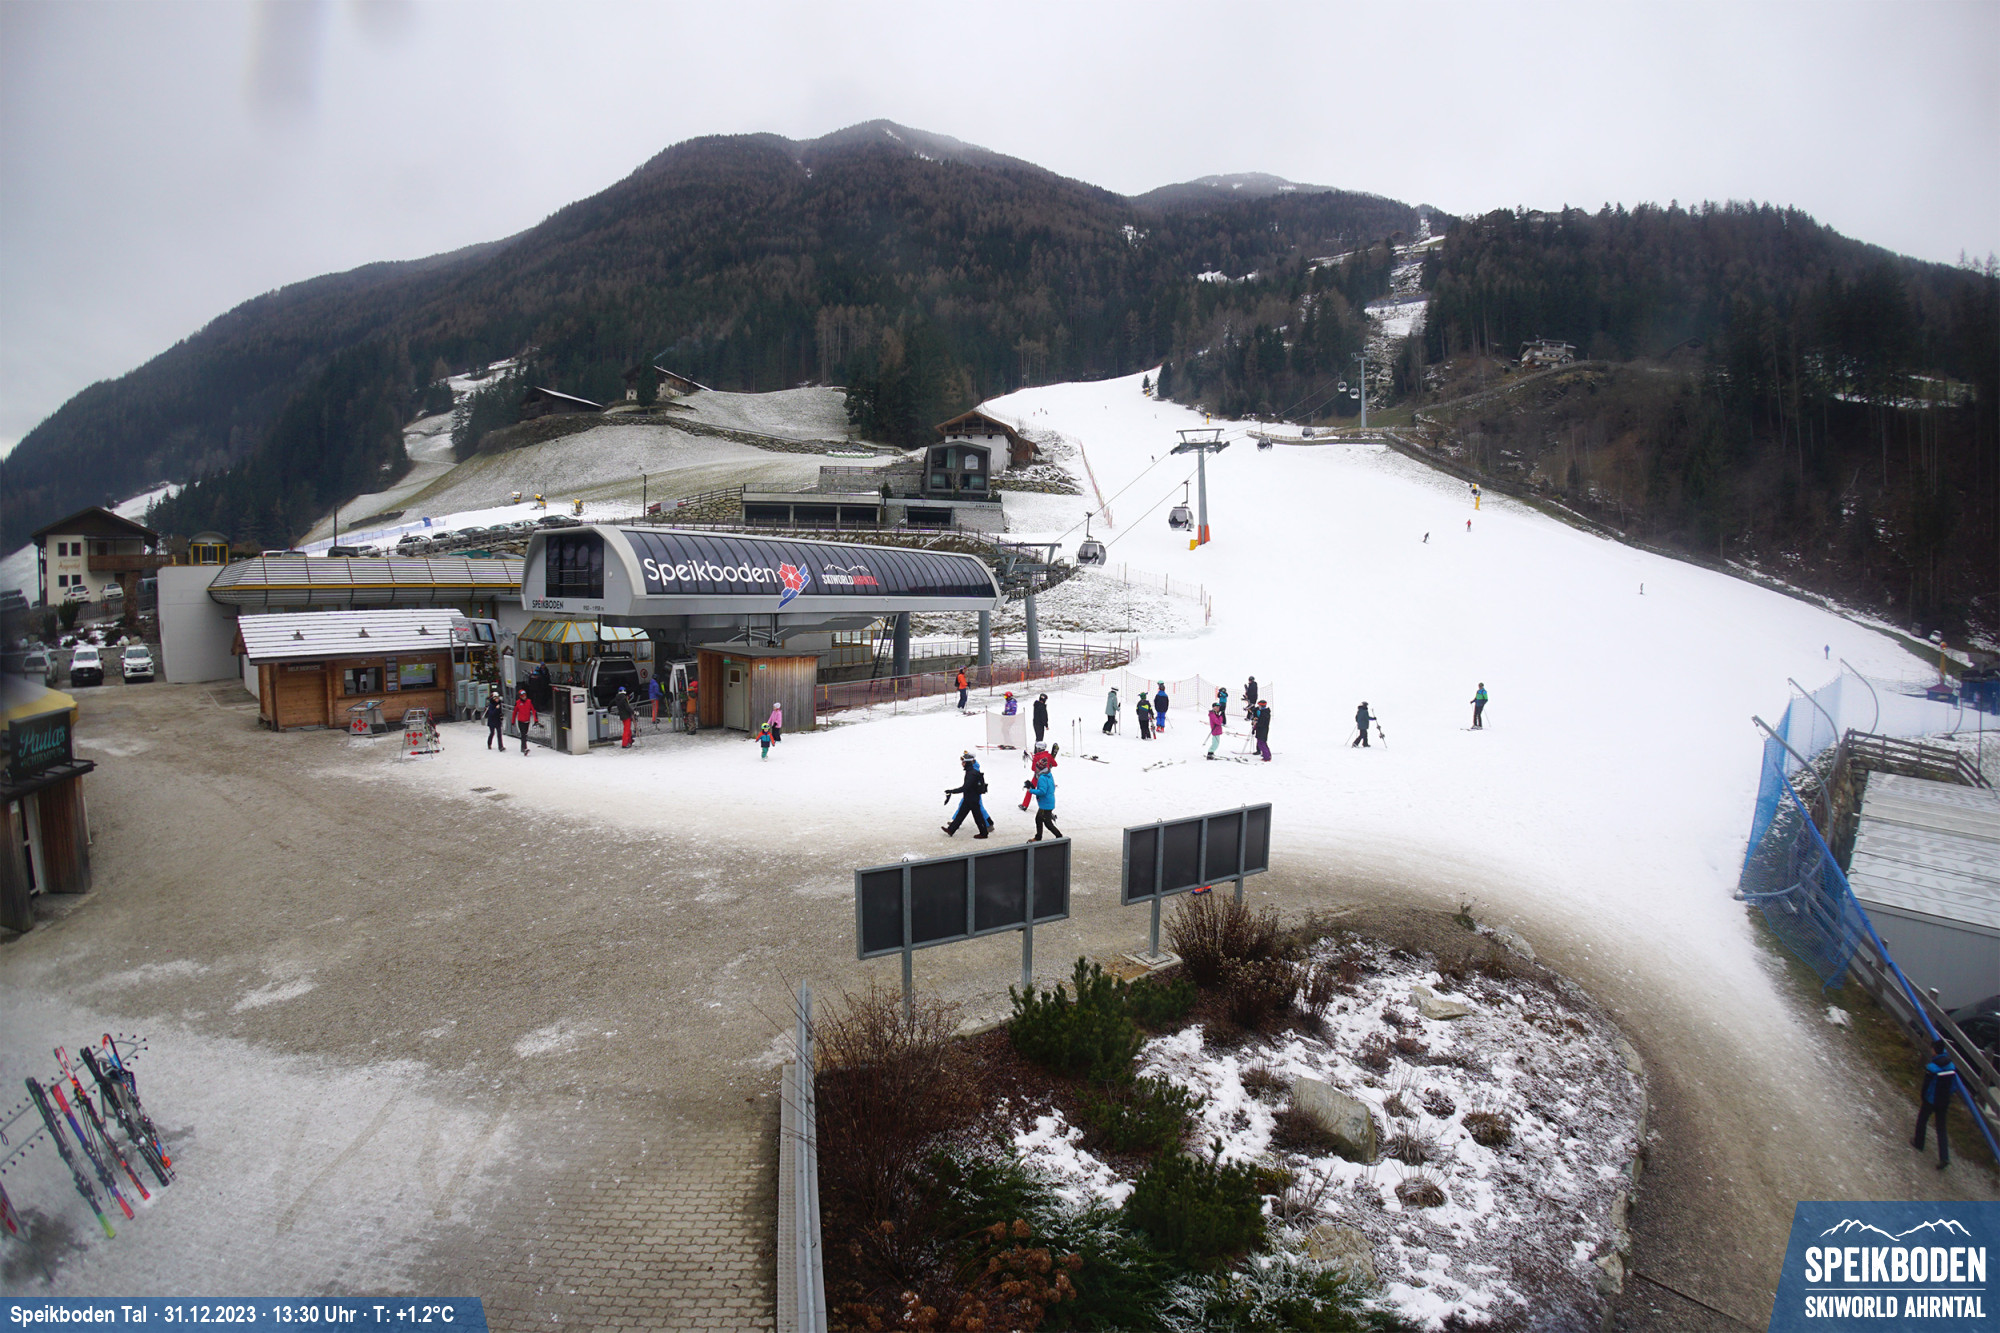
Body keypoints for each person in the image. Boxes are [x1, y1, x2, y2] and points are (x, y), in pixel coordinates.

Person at [1913, 1039, 1958, 1169]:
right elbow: (1953, 1086)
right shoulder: (1951, 1066)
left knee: (1922, 1120)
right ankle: (1944, 1157)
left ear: (1934, 1050)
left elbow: (1926, 1086)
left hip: (1931, 1100)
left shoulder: (1932, 1068)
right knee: (1941, 1128)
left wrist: (1924, 1097)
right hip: (1944, 1101)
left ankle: (1919, 1143)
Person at [942, 752, 991, 838]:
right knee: (960, 815)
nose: (962, 764)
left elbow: (965, 787)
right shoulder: (970, 771)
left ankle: (984, 833)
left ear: (967, 763)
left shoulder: (971, 773)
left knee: (978, 817)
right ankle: (951, 830)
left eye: (963, 762)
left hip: (972, 799)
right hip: (969, 798)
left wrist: (952, 791)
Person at [1021, 743, 1059, 808]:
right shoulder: (1049, 755)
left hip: (1037, 777)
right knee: (1048, 790)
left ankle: (1025, 805)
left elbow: (1033, 768)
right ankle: (1047, 807)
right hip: (1047, 776)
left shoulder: (1036, 757)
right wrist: (1049, 764)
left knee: (1030, 789)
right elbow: (1055, 764)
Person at [1030, 765, 1061, 842]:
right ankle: (1038, 837)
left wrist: (1031, 790)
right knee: (1038, 819)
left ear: (1039, 769)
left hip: (1045, 805)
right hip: (1048, 802)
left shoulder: (1042, 778)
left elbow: (1042, 792)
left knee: (1048, 823)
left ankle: (1060, 837)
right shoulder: (1049, 775)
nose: (1035, 769)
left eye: (1036, 768)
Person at [511, 687, 538, 755]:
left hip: (527, 721)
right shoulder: (518, 703)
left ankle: (522, 747)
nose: (524, 697)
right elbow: (514, 712)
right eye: (523, 696)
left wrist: (536, 720)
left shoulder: (529, 702)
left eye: (525, 696)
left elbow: (533, 711)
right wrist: (513, 721)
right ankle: (524, 748)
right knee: (523, 734)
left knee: (525, 734)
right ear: (520, 696)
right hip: (521, 721)